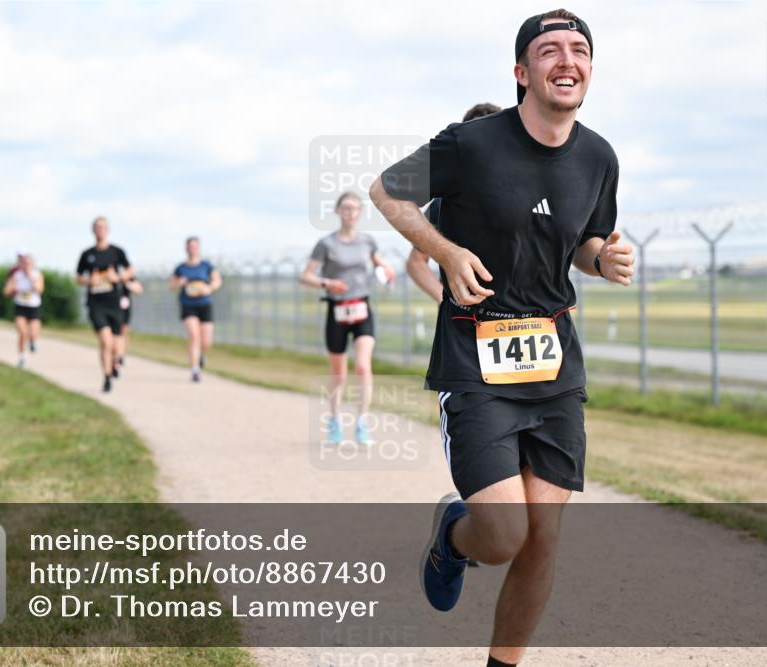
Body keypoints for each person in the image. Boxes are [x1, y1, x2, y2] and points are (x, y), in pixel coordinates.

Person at [370, 10, 635, 667]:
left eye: (579, 49)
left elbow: (587, 243)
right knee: (505, 533)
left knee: (544, 536)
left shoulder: (600, 157)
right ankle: (453, 537)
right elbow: (387, 192)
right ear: (523, 72)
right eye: (549, 50)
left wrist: (603, 260)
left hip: (554, 366)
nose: (566, 60)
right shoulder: (472, 144)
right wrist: (445, 251)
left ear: (591, 69)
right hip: (475, 359)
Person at [300, 191, 396, 446]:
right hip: (337, 309)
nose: (349, 212)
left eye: (354, 208)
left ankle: (363, 422)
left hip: (362, 307)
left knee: (363, 366)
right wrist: (327, 282)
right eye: (345, 208)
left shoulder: (367, 241)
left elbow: (378, 263)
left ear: (360, 212)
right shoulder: (326, 244)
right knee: (339, 374)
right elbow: (306, 276)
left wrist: (386, 270)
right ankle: (334, 421)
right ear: (338, 211)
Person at [406, 103, 501, 304]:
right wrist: (445, 300)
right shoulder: (441, 205)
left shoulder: (531, 191)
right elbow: (416, 263)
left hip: (530, 319)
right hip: (466, 322)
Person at [76, 217, 131, 392]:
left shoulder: (117, 252)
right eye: (97, 227)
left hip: (114, 302)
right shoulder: (87, 254)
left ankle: (115, 362)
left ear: (108, 230)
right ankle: (106, 377)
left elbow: (131, 270)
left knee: (115, 344)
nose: (100, 230)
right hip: (96, 303)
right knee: (105, 341)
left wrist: (119, 277)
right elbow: (78, 277)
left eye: (103, 227)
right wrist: (88, 280)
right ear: (93, 230)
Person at [169, 237, 221, 383]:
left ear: (198, 248)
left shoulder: (206, 266)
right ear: (186, 248)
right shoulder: (181, 268)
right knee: (194, 335)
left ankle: (200, 355)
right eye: (190, 246)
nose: (192, 248)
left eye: (195, 246)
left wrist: (209, 288)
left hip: (204, 304)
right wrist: (179, 283)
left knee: (206, 341)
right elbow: (171, 286)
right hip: (188, 305)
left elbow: (217, 280)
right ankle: (195, 370)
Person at [4, 252, 44, 368]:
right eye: (24, 263)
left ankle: (32, 341)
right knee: (22, 332)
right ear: (21, 264)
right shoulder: (16, 276)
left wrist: (31, 279)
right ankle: (21, 358)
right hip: (20, 306)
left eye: (29, 263)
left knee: (33, 333)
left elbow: (40, 289)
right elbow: (6, 292)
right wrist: (12, 289)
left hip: (34, 307)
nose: (26, 265)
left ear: (32, 264)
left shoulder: (37, 275)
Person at [116, 274, 144, 369]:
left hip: (124, 308)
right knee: (115, 333)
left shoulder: (127, 275)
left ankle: (121, 355)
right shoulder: (108, 271)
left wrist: (126, 283)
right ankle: (116, 354)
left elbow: (139, 290)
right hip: (111, 307)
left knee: (124, 331)